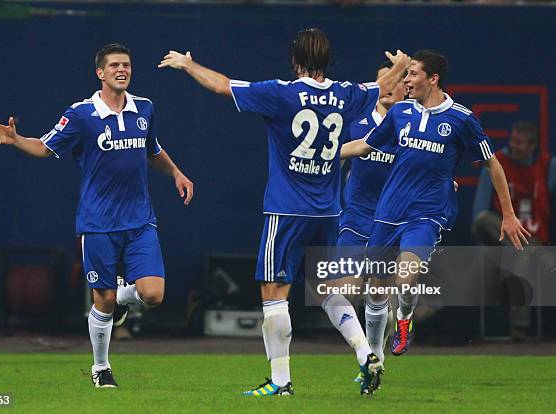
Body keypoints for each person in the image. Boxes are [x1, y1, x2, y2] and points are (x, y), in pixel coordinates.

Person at [159, 28, 409, 395]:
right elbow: (379, 86)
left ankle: (280, 380)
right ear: (327, 60)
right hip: (328, 211)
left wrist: (188, 64)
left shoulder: (280, 92)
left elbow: (222, 86)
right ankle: (365, 352)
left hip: (287, 210)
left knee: (274, 291)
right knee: (325, 289)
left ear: (295, 61)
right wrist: (401, 66)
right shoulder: (345, 94)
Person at [0, 43, 194, 388]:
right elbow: (44, 146)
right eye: (114, 65)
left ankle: (122, 296)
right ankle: (101, 367)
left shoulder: (144, 108)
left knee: (154, 294)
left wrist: (176, 172)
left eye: (127, 65)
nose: (122, 70)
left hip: (139, 220)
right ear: (100, 73)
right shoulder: (81, 115)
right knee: (103, 300)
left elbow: (153, 149)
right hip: (98, 223)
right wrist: (16, 140)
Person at [341, 49, 530, 357]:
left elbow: (492, 165)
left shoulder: (462, 119)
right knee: (376, 288)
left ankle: (404, 320)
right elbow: (365, 145)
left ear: (433, 78)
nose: (406, 80)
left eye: (412, 74)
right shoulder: (401, 113)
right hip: (388, 212)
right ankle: (373, 359)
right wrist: (324, 154)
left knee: (406, 277)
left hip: (427, 214)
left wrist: (508, 214)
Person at [338, 61, 405, 366]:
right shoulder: (355, 122)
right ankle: (366, 347)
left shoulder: (410, 127)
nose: (389, 86)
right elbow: (332, 158)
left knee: (378, 295)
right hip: (355, 217)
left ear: (408, 88)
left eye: (397, 80)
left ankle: (373, 354)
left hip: (391, 221)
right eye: (383, 81)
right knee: (343, 289)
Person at [473, 121, 555, 246]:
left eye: (518, 142)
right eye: (512, 140)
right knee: (483, 220)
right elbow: (479, 213)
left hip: (536, 242)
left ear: (532, 145)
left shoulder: (549, 165)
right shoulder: (496, 163)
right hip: (505, 238)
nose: (512, 146)